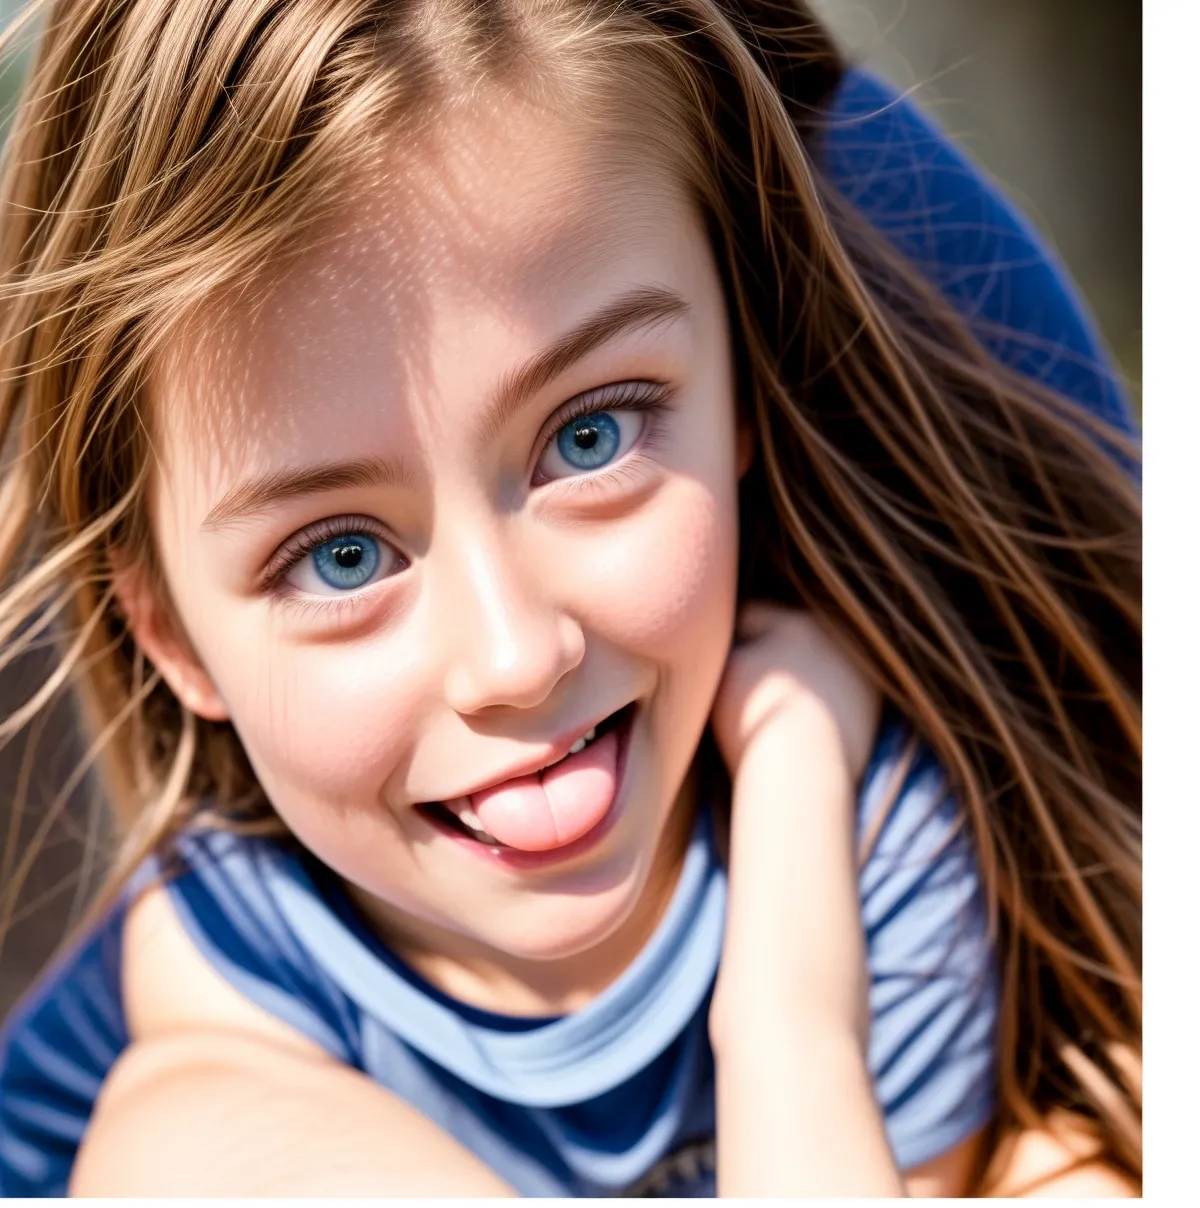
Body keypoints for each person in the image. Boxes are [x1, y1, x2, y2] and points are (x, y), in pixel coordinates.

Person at [0, 0, 1140, 1197]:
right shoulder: (230, 976)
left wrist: (789, 1008)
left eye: (590, 437)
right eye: (340, 555)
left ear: (743, 377)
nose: (515, 655)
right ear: (173, 633)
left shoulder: (867, 849)